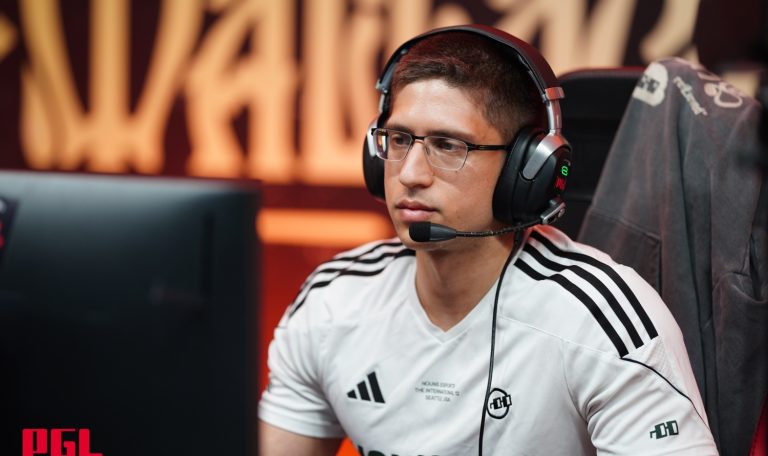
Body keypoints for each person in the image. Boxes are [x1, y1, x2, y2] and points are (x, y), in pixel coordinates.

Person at [258, 24, 719, 455]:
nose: (411, 174)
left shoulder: (598, 322)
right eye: (398, 139)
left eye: (447, 145)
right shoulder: (333, 301)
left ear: (528, 168)